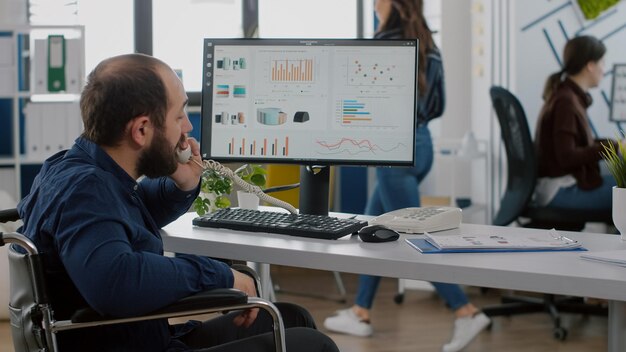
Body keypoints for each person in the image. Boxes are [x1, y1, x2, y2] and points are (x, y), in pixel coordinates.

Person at [16, 53, 339, 352]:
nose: (188, 127)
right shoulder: (85, 190)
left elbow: (126, 216)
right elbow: (116, 281)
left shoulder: (73, 168)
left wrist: (181, 185)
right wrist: (222, 275)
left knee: (290, 318)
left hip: (144, 337)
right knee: (313, 345)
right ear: (142, 129)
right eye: (179, 114)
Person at [323, 1, 490, 352]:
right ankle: (361, 311)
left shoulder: (385, 42)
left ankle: (465, 310)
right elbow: (439, 105)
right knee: (371, 230)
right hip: (422, 143)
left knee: (416, 240)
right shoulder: (427, 42)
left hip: (394, 149)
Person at [534, 35, 618, 210]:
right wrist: (613, 147)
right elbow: (567, 157)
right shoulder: (566, 102)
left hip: (561, 183)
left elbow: (575, 145)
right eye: (602, 63)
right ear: (590, 65)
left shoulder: (567, 95)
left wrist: (614, 145)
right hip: (560, 189)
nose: (604, 69)